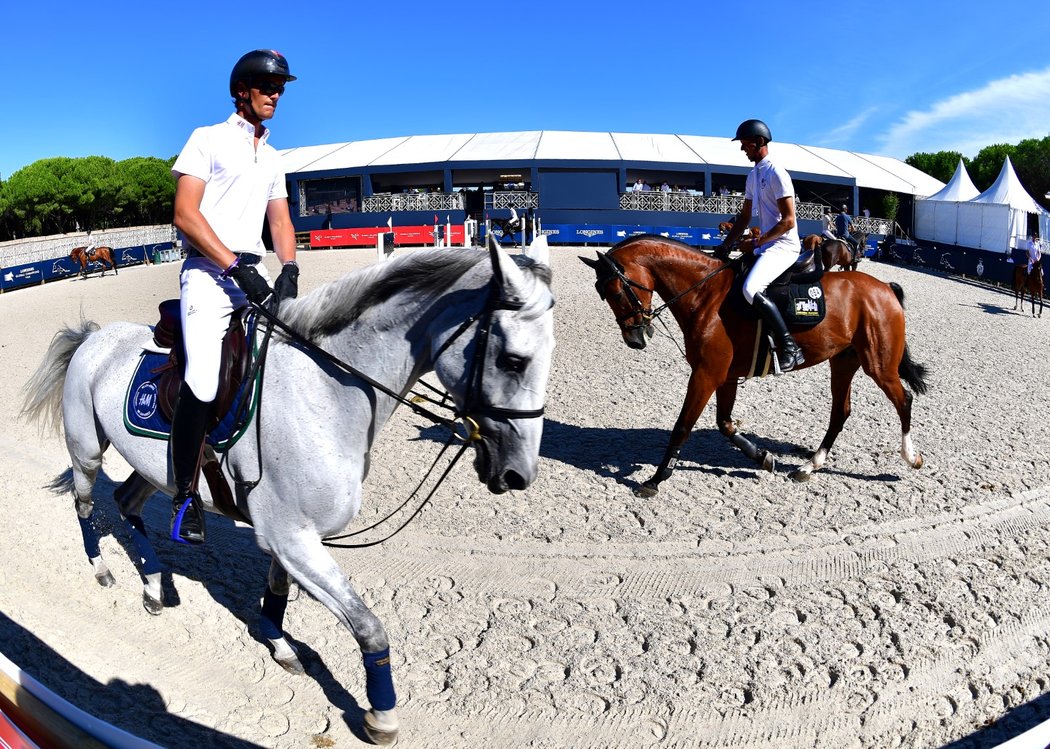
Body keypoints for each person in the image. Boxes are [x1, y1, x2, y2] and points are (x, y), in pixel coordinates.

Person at [168, 49, 300, 545]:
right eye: (268, 86)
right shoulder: (207, 139)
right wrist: (232, 267)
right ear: (242, 89)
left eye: (281, 87)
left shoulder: (272, 157)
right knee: (202, 380)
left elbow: (281, 221)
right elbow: (185, 214)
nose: (276, 95)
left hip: (257, 272)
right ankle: (184, 498)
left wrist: (289, 267)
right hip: (208, 273)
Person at [717, 119, 804, 374]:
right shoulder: (753, 175)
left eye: (745, 144)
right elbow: (744, 218)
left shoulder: (777, 172)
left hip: (784, 246)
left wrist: (755, 242)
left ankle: (790, 347)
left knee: (751, 287)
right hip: (766, 245)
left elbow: (789, 221)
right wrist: (725, 245)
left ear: (759, 142)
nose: (743, 149)